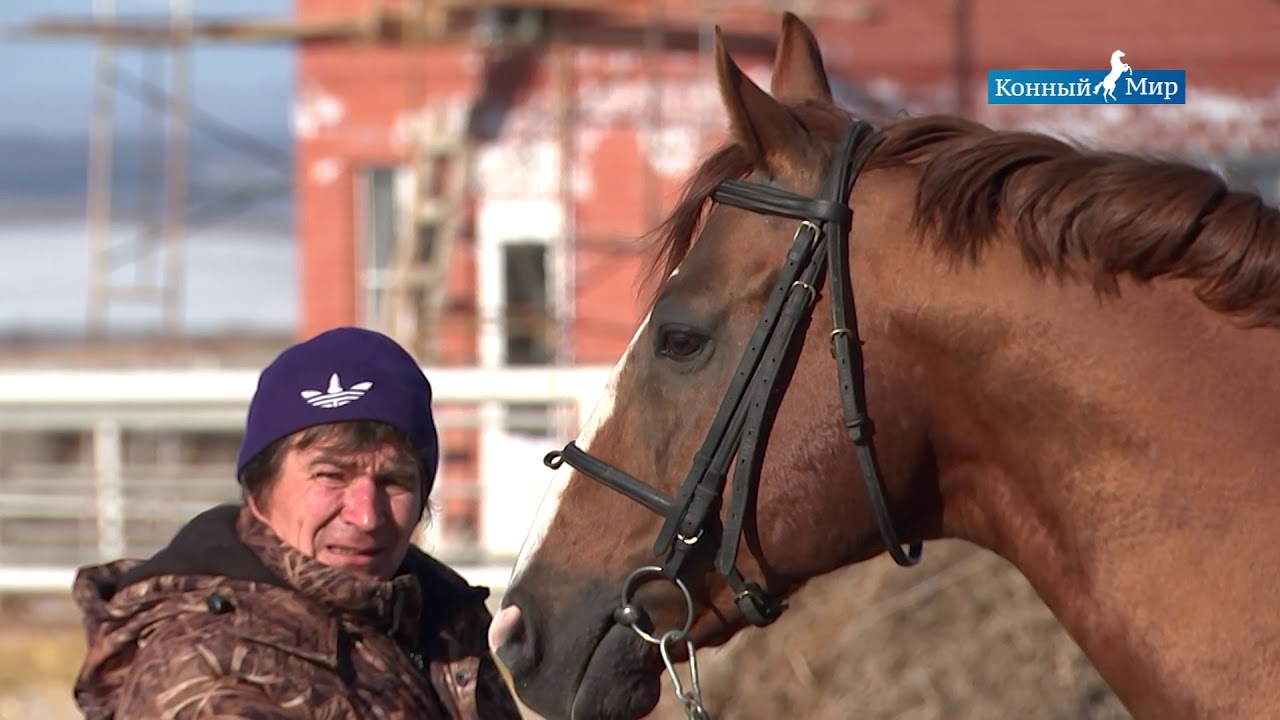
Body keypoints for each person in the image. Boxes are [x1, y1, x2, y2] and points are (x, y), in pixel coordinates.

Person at [70, 327, 523, 719]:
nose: (366, 515)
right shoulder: (208, 668)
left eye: (393, 480)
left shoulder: (439, 621)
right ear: (259, 490)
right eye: (330, 476)